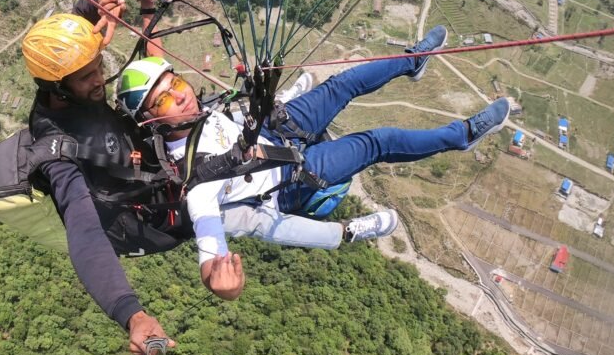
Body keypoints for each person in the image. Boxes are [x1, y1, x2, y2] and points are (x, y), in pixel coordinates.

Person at [116, 26, 512, 300]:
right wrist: (223, 285)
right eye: (165, 99)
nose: (182, 96)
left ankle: (414, 60)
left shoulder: (188, 113)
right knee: (378, 141)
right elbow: (210, 246)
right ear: (151, 120)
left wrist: (150, 11)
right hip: (293, 174)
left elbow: (154, 61)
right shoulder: (197, 185)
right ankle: (464, 135)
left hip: (275, 128)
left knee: (343, 83)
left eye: (178, 84)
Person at [20, 0, 183, 355]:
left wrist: (97, 3)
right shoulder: (57, 150)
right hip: (147, 214)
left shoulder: (64, 78)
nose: (100, 79)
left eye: (97, 66)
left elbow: (71, 31)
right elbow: (84, 231)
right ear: (58, 88)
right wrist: (131, 314)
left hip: (138, 155)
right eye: (88, 76)